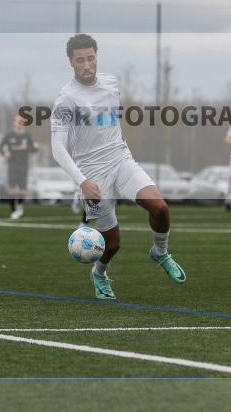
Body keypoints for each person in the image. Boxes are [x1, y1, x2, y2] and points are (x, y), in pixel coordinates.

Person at [51, 34, 186, 300]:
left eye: (91, 58)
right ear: (71, 62)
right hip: (93, 174)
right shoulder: (66, 99)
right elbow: (57, 148)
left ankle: (160, 252)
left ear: (96, 56)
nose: (87, 64)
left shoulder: (111, 82)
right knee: (112, 244)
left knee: (160, 207)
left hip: (121, 160)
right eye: (80, 60)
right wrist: (83, 181)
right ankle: (99, 273)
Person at [0, 114, 38, 219]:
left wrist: (30, 147)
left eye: (21, 121)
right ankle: (13, 210)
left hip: (24, 165)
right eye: (17, 121)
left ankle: (20, 206)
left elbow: (35, 148)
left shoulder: (28, 136)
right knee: (10, 189)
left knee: (22, 189)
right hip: (12, 165)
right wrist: (5, 152)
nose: (19, 123)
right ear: (14, 122)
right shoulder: (9, 135)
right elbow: (1, 147)